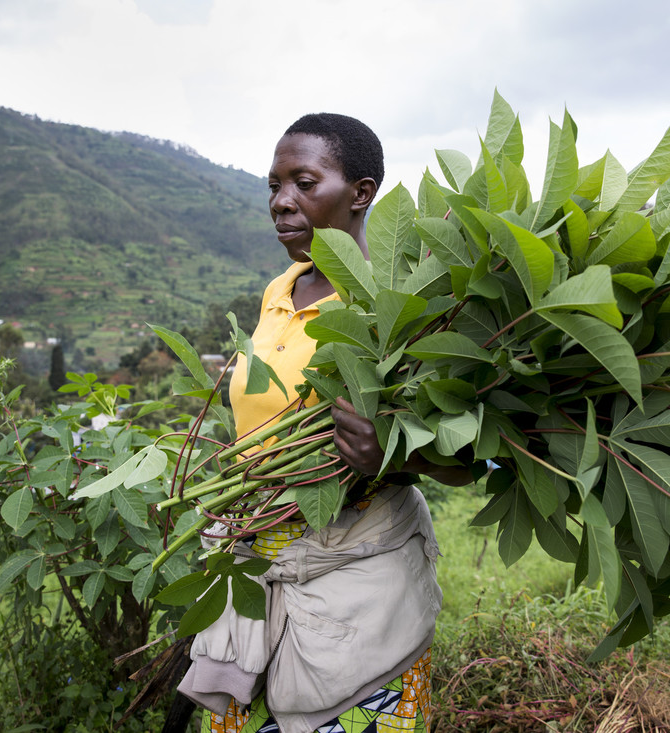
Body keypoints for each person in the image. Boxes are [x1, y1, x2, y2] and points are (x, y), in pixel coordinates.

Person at [176, 114, 472, 733]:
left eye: (304, 183)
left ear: (362, 193)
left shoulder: (401, 305)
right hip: (255, 564)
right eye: (274, 186)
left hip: (356, 577)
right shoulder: (277, 291)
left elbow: (468, 458)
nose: (282, 203)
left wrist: (389, 455)